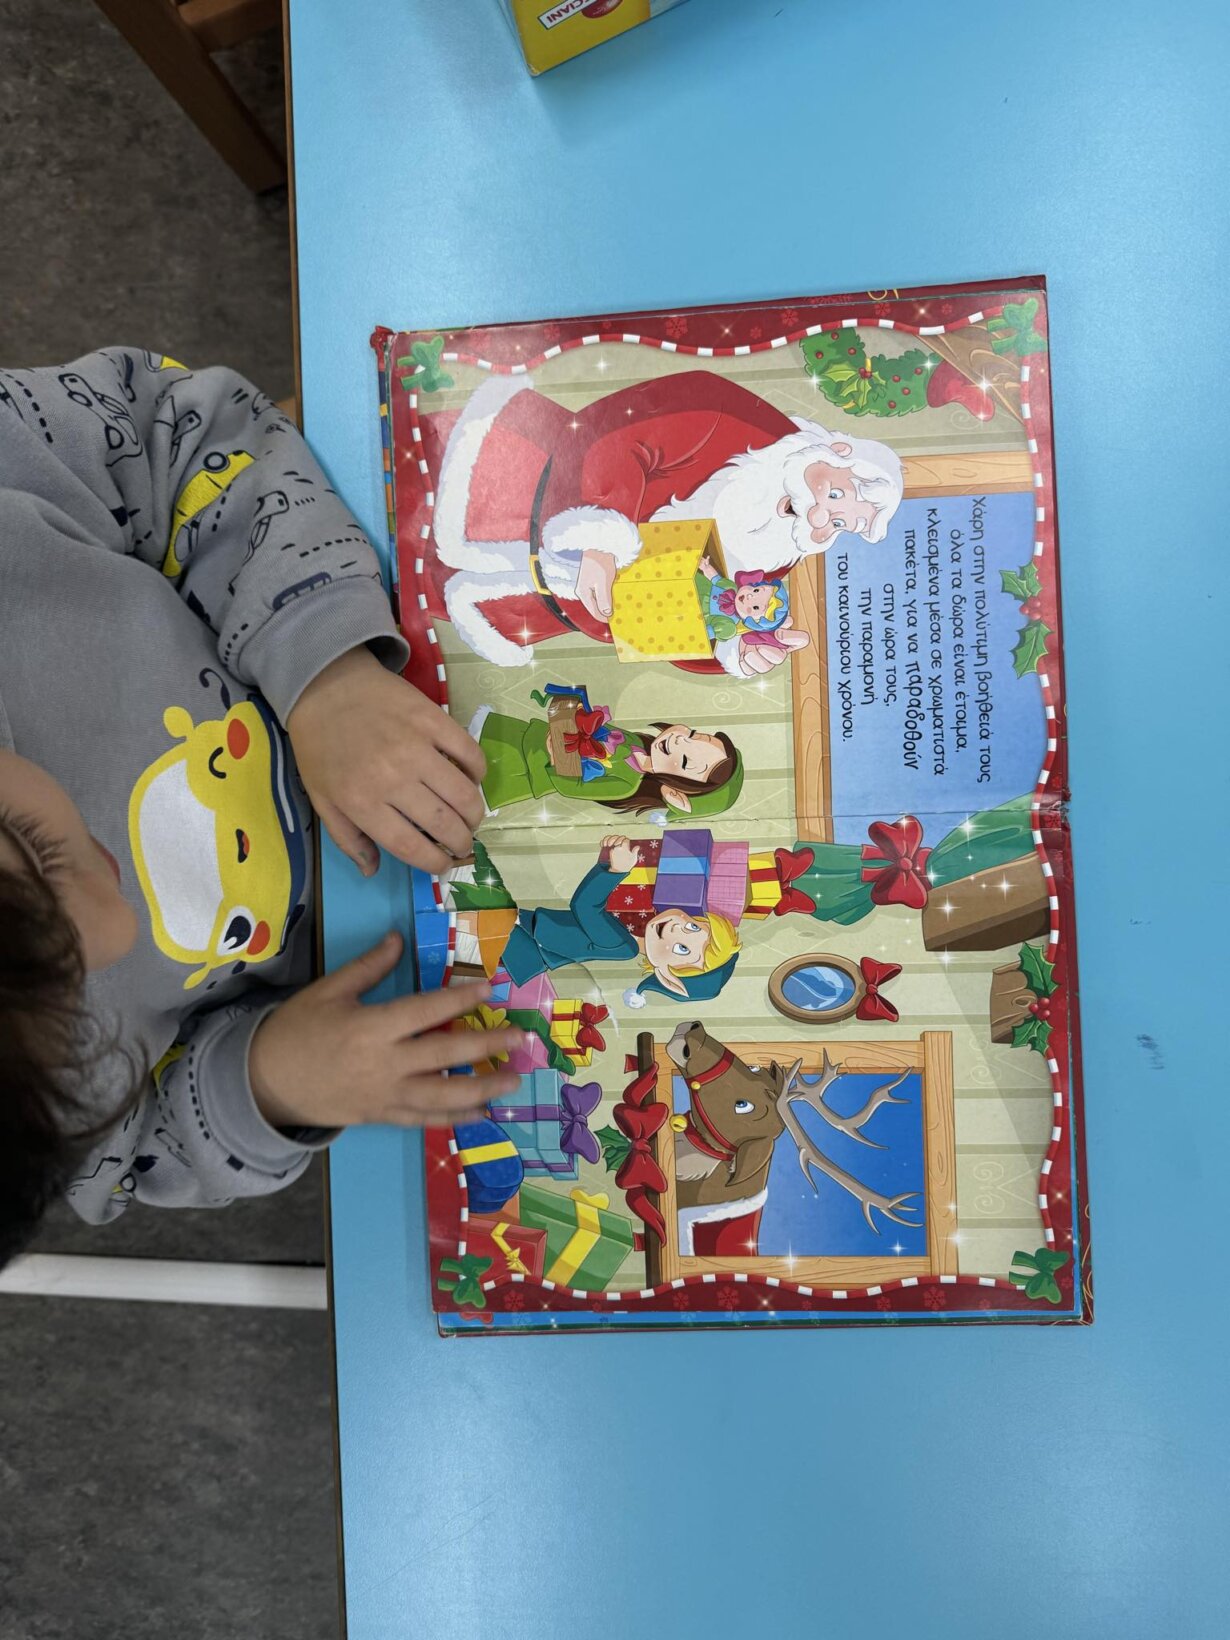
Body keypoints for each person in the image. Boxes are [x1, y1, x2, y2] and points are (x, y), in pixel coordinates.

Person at [0, 349, 522, 1266]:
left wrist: (323, 670)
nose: (115, 924)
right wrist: (269, 1083)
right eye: (80, 1007)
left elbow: (176, 430)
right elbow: (131, 1150)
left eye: (35, 850)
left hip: (370, 595)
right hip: (397, 969)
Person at [421, 370, 903, 677]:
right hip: (507, 481)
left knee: (419, 610)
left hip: (532, 607)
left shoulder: (774, 554)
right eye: (834, 497)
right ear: (836, 451)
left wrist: (734, 649)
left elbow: (679, 626)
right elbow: (616, 436)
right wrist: (600, 542)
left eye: (839, 524)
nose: (818, 518)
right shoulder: (731, 416)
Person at [453, 835, 741, 1005]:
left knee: (458, 905)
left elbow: (585, 907)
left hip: (515, 945)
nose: (679, 928)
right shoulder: (630, 929)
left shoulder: (624, 946)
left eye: (682, 948)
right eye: (692, 926)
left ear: (667, 974)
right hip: (514, 937)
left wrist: (616, 870)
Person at [471, 694, 743, 819]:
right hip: (524, 735)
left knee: (468, 768)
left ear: (675, 795)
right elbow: (595, 729)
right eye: (692, 735)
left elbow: (572, 787)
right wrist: (578, 714)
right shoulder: (635, 742)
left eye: (685, 761)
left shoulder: (626, 784)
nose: (678, 740)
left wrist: (558, 759)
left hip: (523, 771)